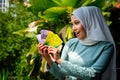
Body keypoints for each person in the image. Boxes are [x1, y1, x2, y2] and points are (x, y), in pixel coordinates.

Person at [38, 6, 116, 80]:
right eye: (72, 24)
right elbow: (61, 75)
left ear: (89, 22)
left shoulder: (106, 47)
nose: (73, 28)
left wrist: (60, 60)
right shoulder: (71, 43)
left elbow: (92, 75)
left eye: (77, 23)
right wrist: (48, 59)